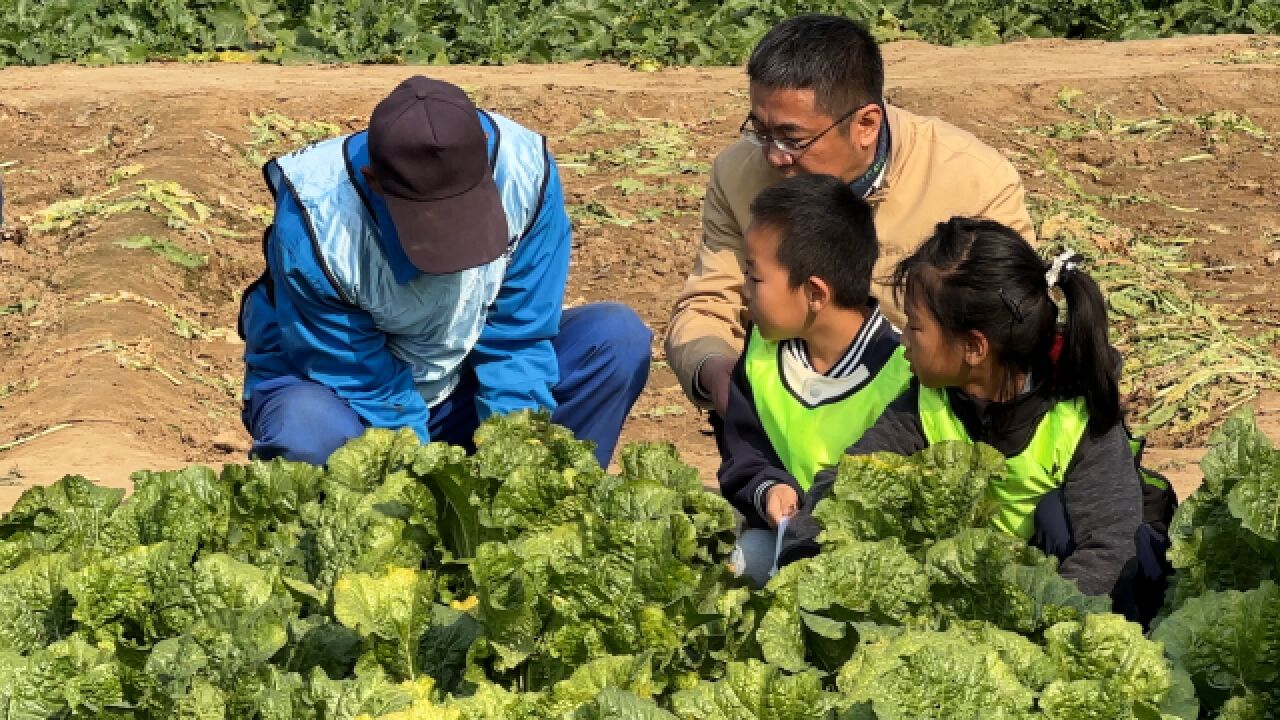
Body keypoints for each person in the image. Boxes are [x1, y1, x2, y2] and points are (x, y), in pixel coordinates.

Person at [237, 75, 651, 468]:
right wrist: (425, 479)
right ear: (374, 181)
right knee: (304, 429)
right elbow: (363, 381)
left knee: (614, 339)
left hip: (461, 382)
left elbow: (518, 338)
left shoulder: (527, 173)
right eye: (430, 223)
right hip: (348, 398)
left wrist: (512, 457)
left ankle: (547, 512)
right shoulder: (316, 221)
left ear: (485, 152)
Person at [666, 14, 1035, 446]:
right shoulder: (737, 174)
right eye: (760, 132)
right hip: (790, 427)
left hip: (933, 429)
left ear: (866, 124)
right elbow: (710, 303)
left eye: (791, 138)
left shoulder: (972, 183)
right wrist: (719, 376)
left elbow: (1011, 336)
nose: (774, 157)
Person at [785, 218, 1171, 611]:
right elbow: (848, 482)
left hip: (1105, 585)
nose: (903, 341)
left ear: (974, 348)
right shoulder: (925, 402)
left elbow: (1109, 549)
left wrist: (1040, 629)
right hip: (1000, 588)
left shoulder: (1079, 411)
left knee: (1058, 517)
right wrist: (801, 558)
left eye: (915, 327)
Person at [717, 174, 911, 587]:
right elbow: (743, 452)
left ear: (815, 293)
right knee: (737, 560)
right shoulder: (760, 354)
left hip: (866, 567)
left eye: (754, 277)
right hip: (780, 541)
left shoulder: (903, 373)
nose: (744, 290)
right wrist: (768, 488)